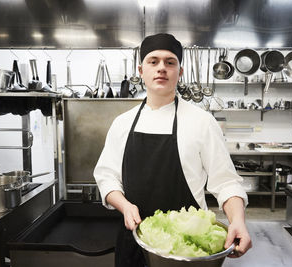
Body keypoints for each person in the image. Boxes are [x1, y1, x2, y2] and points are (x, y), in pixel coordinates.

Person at [94, 33, 252, 266]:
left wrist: (238, 220)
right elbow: (107, 177)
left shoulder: (202, 122)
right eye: (153, 61)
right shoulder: (122, 123)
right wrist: (124, 206)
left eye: (170, 62)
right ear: (141, 70)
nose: (161, 68)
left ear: (180, 72)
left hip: (188, 246)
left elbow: (226, 181)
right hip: (135, 239)